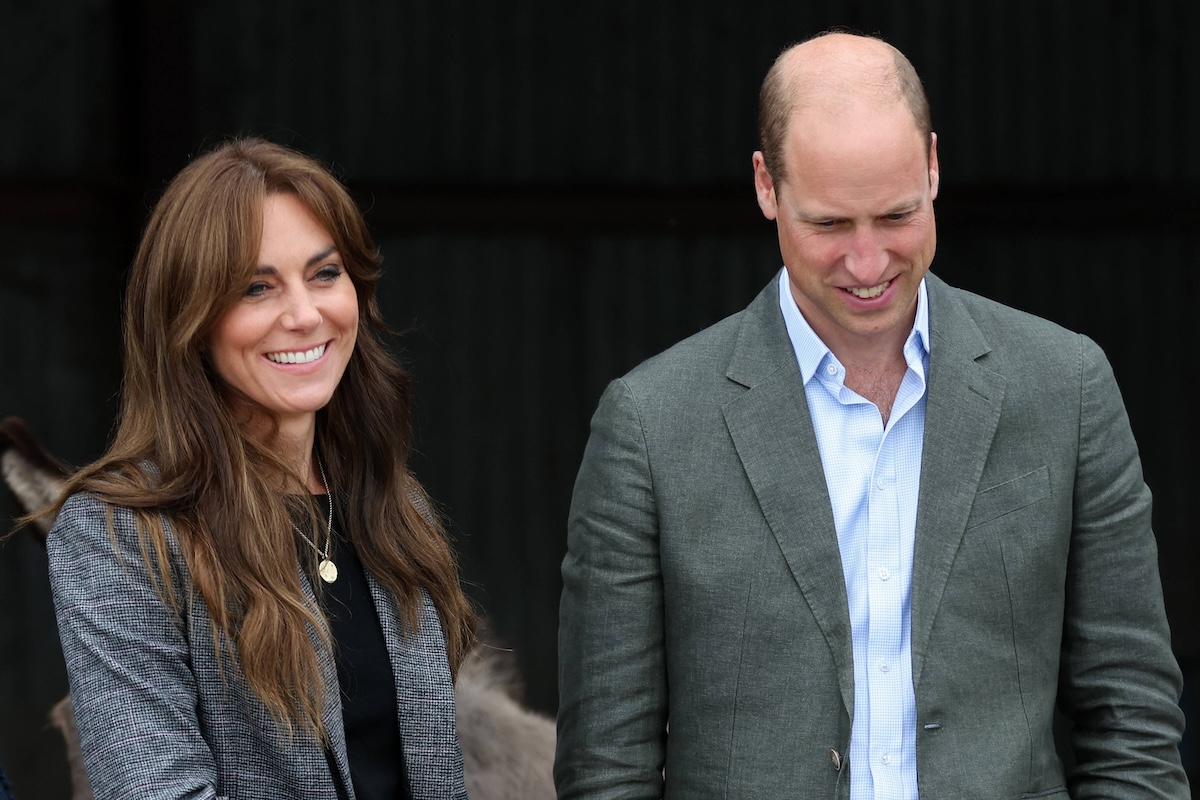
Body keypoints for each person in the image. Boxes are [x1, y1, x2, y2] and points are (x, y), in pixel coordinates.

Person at [555, 31, 1189, 799]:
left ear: (932, 167)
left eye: (895, 217)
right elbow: (607, 769)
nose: (866, 263)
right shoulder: (651, 425)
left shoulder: (1067, 387)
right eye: (828, 225)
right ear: (766, 186)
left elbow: (1135, 725)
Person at [46, 138, 476, 799]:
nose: (304, 315)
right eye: (256, 287)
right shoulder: (119, 535)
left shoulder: (394, 507)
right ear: (189, 321)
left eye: (325, 274)